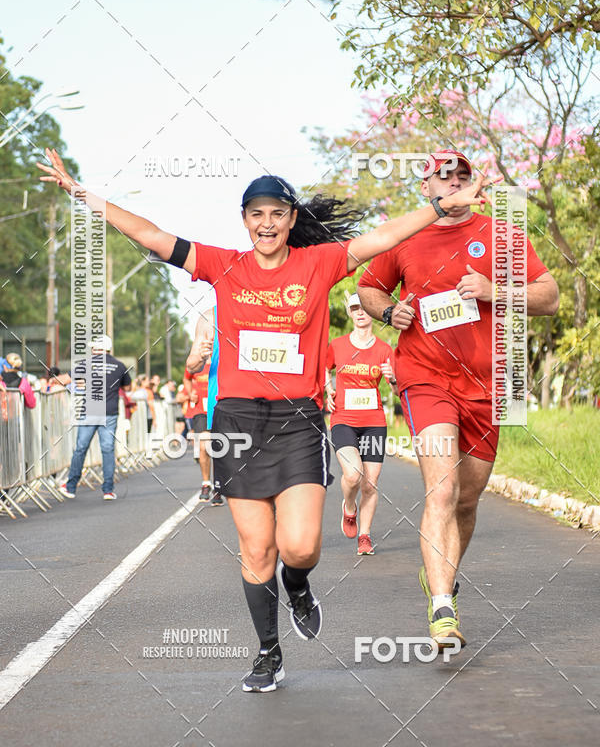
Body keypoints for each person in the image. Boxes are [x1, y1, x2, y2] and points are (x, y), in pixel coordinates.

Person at [38, 147, 493, 692]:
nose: (267, 223)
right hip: (236, 423)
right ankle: (268, 653)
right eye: (256, 214)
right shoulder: (222, 265)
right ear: (245, 221)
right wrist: (82, 195)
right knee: (256, 550)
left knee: (300, 547)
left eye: (277, 213)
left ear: (292, 220)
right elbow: (152, 234)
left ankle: (298, 586)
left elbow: (384, 237)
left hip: (297, 421)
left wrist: (443, 209)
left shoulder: (320, 263)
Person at [357, 149, 559, 649]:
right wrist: (391, 313)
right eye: (440, 178)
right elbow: (368, 289)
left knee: (467, 499)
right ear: (425, 187)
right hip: (425, 376)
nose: (450, 185)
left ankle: (439, 574)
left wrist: (493, 290)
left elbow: (549, 296)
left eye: (459, 177)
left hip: (489, 385)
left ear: (473, 184)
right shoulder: (406, 235)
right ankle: (443, 605)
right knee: (442, 491)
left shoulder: (501, 234)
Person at [325, 293, 396, 556]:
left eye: (364, 307)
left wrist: (394, 378)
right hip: (344, 420)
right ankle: (349, 506)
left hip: (374, 422)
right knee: (353, 475)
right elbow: (324, 367)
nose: (360, 312)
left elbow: (398, 390)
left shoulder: (384, 350)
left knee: (371, 483)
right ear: (350, 312)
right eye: (355, 307)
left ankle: (365, 536)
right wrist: (327, 388)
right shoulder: (338, 345)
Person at [60, 335, 131, 501]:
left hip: (90, 411)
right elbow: (127, 386)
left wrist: (51, 382)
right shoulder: (120, 366)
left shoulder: (87, 364)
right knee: (107, 450)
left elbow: (64, 380)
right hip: (110, 412)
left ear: (96, 349)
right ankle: (107, 490)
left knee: (81, 448)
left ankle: (71, 487)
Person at [184, 314, 214, 503]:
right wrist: (190, 393)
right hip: (201, 409)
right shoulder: (198, 358)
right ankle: (206, 483)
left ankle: (220, 484)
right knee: (204, 446)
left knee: (222, 448)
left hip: (220, 405)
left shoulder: (223, 357)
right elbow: (187, 376)